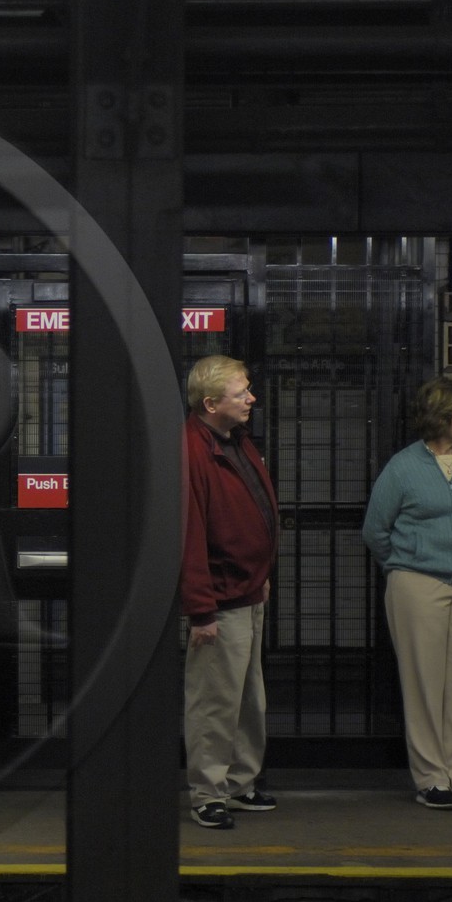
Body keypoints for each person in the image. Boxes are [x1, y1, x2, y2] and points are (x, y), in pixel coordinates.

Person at [361, 377, 452, 810]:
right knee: (424, 682)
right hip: (417, 583)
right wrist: (405, 564)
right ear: (442, 417)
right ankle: (432, 778)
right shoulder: (402, 467)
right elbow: (375, 531)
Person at [180, 355, 280, 830]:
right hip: (221, 600)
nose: (251, 399)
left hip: (248, 592)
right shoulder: (192, 451)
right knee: (215, 701)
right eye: (242, 393)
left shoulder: (233, 441)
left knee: (247, 699)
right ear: (211, 402)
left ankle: (239, 784)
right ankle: (207, 792)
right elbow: (190, 533)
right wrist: (201, 610)